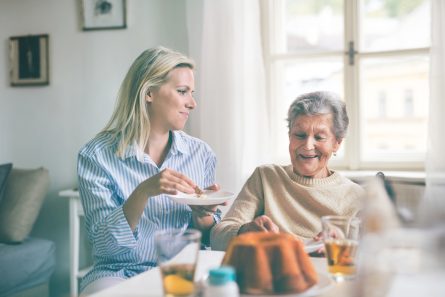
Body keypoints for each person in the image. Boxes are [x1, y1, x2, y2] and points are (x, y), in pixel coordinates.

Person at [77, 46, 222, 295]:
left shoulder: (202, 154)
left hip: (183, 270)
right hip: (117, 273)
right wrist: (143, 191)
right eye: (182, 92)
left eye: (192, 93)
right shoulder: (95, 156)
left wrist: (203, 215)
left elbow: (208, 238)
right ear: (149, 93)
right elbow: (103, 247)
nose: (193, 103)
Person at [211, 91, 364, 251]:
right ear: (290, 136)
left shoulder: (356, 197)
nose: (308, 145)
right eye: (300, 135)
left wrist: (343, 249)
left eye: (319, 137)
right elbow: (217, 237)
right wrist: (244, 232)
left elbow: (371, 259)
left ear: (337, 143)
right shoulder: (265, 177)